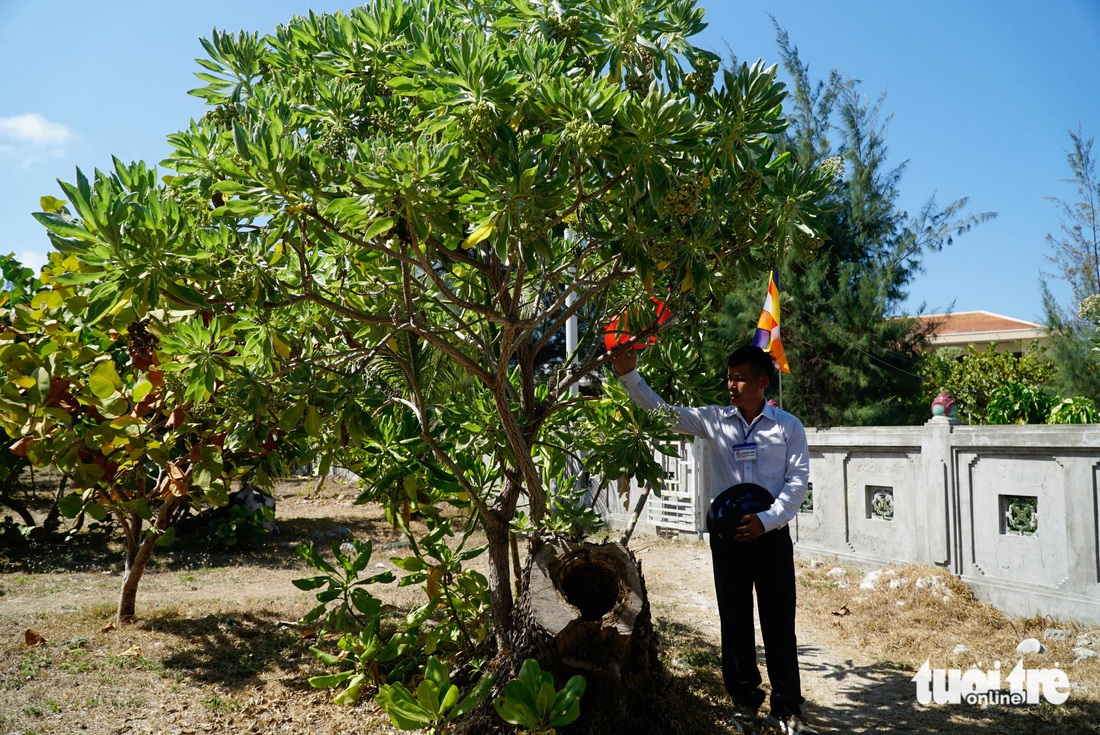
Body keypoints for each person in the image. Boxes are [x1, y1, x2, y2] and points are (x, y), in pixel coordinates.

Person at [610, 343, 817, 735]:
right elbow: (663, 414)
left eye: (740, 378)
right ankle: (744, 703)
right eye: (729, 377)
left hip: (771, 538)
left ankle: (787, 708)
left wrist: (767, 519)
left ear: (761, 382)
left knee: (778, 623)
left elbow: (796, 484)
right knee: (734, 621)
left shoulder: (788, 427)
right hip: (728, 541)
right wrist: (629, 375)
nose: (732, 385)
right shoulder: (715, 420)